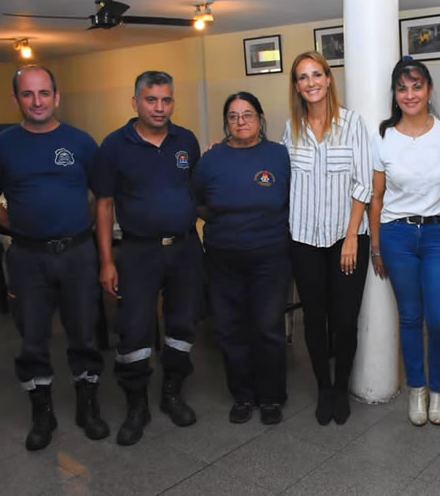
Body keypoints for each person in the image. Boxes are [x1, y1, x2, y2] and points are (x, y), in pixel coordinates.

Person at [0, 65, 109, 450]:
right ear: (16, 98)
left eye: (43, 93)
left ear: (56, 96)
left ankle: (88, 407)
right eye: (28, 94)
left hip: (77, 254)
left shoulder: (81, 142)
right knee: (32, 337)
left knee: (84, 333)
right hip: (28, 258)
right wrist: (18, 223)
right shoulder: (0, 147)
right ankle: (43, 414)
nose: (37, 101)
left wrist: (82, 233)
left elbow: (99, 196)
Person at [95, 70, 202, 446]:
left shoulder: (185, 139)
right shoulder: (113, 146)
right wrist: (107, 261)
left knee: (183, 324)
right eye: (151, 100)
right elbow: (104, 206)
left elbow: (194, 191)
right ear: (135, 101)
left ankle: (172, 392)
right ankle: (136, 404)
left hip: (186, 249)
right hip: (138, 251)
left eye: (166, 100)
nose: (160, 108)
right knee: (134, 329)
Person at [369, 59, 440, 427]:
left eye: (416, 86)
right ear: (395, 94)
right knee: (410, 318)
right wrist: (377, 247)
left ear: (428, 89)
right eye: (402, 88)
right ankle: (418, 389)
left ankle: (439, 389)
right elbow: (376, 198)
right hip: (397, 235)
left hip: (439, 234)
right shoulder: (384, 136)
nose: (410, 95)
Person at [282, 51, 374, 426]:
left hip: (346, 238)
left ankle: (340, 386)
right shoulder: (292, 128)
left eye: (316, 74)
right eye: (303, 77)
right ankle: (323, 387)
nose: (311, 83)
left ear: (329, 78)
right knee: (314, 318)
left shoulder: (352, 124)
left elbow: (364, 182)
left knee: (346, 319)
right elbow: (280, 176)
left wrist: (352, 235)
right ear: (297, 86)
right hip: (304, 239)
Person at [192, 92, 291, 425]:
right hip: (223, 258)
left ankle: (272, 396)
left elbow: (292, 200)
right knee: (231, 329)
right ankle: (243, 395)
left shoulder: (279, 156)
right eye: (233, 116)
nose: (240, 122)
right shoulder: (210, 160)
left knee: (267, 327)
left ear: (261, 118)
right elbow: (200, 203)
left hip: (270, 256)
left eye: (247, 114)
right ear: (226, 123)